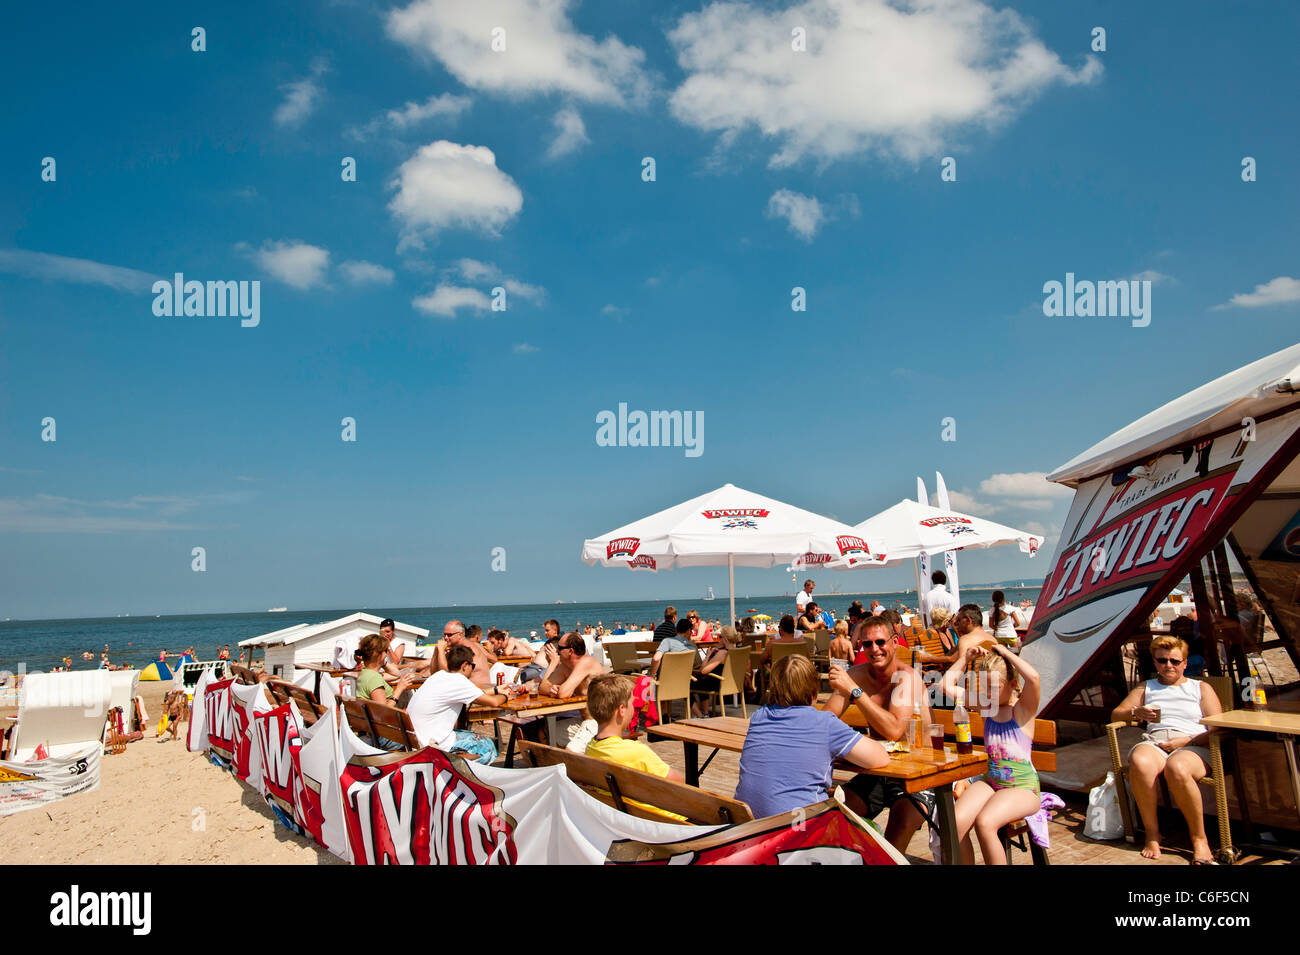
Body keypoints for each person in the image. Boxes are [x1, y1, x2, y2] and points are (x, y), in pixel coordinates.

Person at [826, 615, 934, 852]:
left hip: (918, 774)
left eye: (881, 642)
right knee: (834, 817)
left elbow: (894, 731)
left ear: (895, 642)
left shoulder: (907, 678)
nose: (875, 649)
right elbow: (826, 719)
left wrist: (855, 692)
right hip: (878, 772)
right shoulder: (857, 674)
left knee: (897, 831)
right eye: (867, 644)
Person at [1111, 635, 1222, 863]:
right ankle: (1153, 834)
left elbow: (1217, 727)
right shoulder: (1146, 687)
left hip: (1193, 742)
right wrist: (1135, 713)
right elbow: (1116, 714)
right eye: (1162, 661)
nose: (1168, 665)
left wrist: (1187, 741)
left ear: (1184, 663)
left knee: (1177, 767)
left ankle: (1199, 838)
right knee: (1140, 762)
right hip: (1156, 741)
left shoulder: (1200, 688)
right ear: (1155, 662)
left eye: (1174, 660)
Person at [736, 655, 889, 818]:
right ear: (814, 691)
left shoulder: (759, 716)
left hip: (748, 825)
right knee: (878, 786)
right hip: (798, 830)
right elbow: (880, 759)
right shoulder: (824, 724)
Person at [941, 641, 1043, 864]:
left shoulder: (1023, 710)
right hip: (992, 782)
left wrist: (1006, 653)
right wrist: (965, 658)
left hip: (1023, 788)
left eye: (993, 688)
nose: (987, 694)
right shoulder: (988, 706)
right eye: (983, 688)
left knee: (985, 822)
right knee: (954, 823)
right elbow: (945, 686)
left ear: (1013, 684)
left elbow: (1034, 678)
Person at [584, 674, 689, 821]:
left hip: (627, 818)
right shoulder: (635, 751)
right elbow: (679, 783)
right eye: (632, 704)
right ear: (622, 710)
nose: (634, 708)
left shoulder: (591, 748)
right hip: (665, 823)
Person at [405, 645, 507, 764]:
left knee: (470, 735)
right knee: (488, 746)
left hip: (416, 738)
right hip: (431, 744)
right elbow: (494, 702)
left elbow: (474, 694)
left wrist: (496, 690)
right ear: (464, 666)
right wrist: (506, 695)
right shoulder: (460, 681)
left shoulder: (438, 676)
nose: (472, 669)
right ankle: (460, 776)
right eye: (472, 666)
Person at [354, 635, 416, 712]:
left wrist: (383, 662)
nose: (386, 654)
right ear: (378, 654)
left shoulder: (365, 673)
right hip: (389, 721)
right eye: (385, 651)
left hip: (373, 721)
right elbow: (383, 711)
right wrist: (399, 689)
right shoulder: (374, 678)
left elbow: (396, 675)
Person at [689, 626, 737, 718]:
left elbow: (703, 671)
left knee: (685, 685)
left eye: (720, 637)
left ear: (725, 639)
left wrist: (708, 656)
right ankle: (705, 713)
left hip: (717, 684)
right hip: (729, 683)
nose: (719, 640)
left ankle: (700, 716)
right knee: (701, 681)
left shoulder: (722, 653)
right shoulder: (736, 651)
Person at [541, 632, 606, 698]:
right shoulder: (565, 666)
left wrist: (558, 691)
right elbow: (542, 687)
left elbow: (563, 694)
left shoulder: (586, 662)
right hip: (581, 707)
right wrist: (550, 689)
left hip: (601, 707)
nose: (557, 651)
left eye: (560, 648)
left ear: (570, 651)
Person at [431, 620, 495, 688]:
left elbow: (446, 674)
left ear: (460, 635)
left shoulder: (466, 649)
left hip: (479, 691)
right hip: (468, 690)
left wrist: (441, 650)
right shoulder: (455, 649)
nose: (446, 638)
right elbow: (434, 673)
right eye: (444, 635)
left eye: (449, 635)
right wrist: (436, 650)